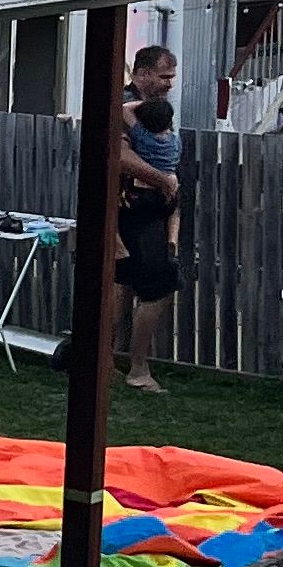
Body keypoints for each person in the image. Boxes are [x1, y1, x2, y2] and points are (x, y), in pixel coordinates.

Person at [115, 44, 182, 397]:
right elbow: (120, 157)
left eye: (172, 77)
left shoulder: (154, 109)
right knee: (158, 286)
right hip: (133, 213)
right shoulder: (127, 106)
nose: (170, 83)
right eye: (163, 76)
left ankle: (102, 360)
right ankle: (138, 368)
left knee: (122, 285)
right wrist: (163, 180)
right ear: (141, 74)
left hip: (149, 212)